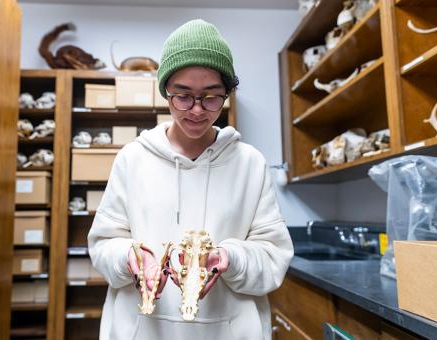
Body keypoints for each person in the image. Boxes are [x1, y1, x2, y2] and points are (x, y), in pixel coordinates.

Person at [88, 19, 293, 340]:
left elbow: (273, 256)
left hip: (229, 331)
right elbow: (102, 244)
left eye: (211, 97)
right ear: (166, 93)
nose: (197, 110)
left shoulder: (250, 164)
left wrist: (231, 258)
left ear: (227, 94)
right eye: (183, 96)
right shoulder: (133, 159)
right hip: (141, 330)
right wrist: (130, 258)